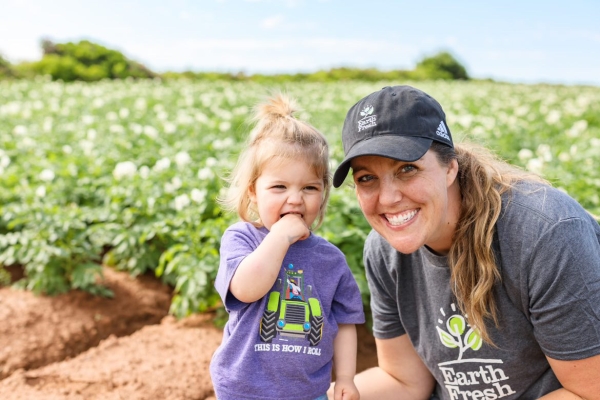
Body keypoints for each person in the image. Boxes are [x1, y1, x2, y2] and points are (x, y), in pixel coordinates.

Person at [329, 85, 600, 399]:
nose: (388, 198)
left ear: (450, 168)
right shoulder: (383, 250)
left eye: (407, 169)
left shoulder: (546, 233)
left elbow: (589, 391)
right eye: (366, 178)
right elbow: (403, 380)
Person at [210, 93, 365, 400]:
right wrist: (279, 237)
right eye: (279, 187)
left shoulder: (330, 259)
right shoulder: (242, 239)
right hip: (243, 390)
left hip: (309, 390)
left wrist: (346, 376)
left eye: (309, 188)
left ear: (322, 194)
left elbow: (346, 321)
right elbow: (245, 289)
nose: (295, 199)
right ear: (254, 192)